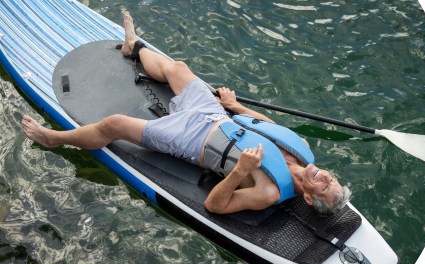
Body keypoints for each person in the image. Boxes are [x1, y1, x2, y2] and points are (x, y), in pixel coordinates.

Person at [20, 12, 350, 216]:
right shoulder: (303, 151)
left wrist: (239, 173)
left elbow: (215, 206)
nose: (325, 177)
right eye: (331, 178)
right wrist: (235, 107)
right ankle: (132, 46)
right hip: (216, 115)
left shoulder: (268, 193)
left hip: (192, 141)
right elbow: (271, 127)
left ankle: (53, 139)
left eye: (324, 186)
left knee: (115, 124)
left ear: (308, 199)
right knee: (178, 68)